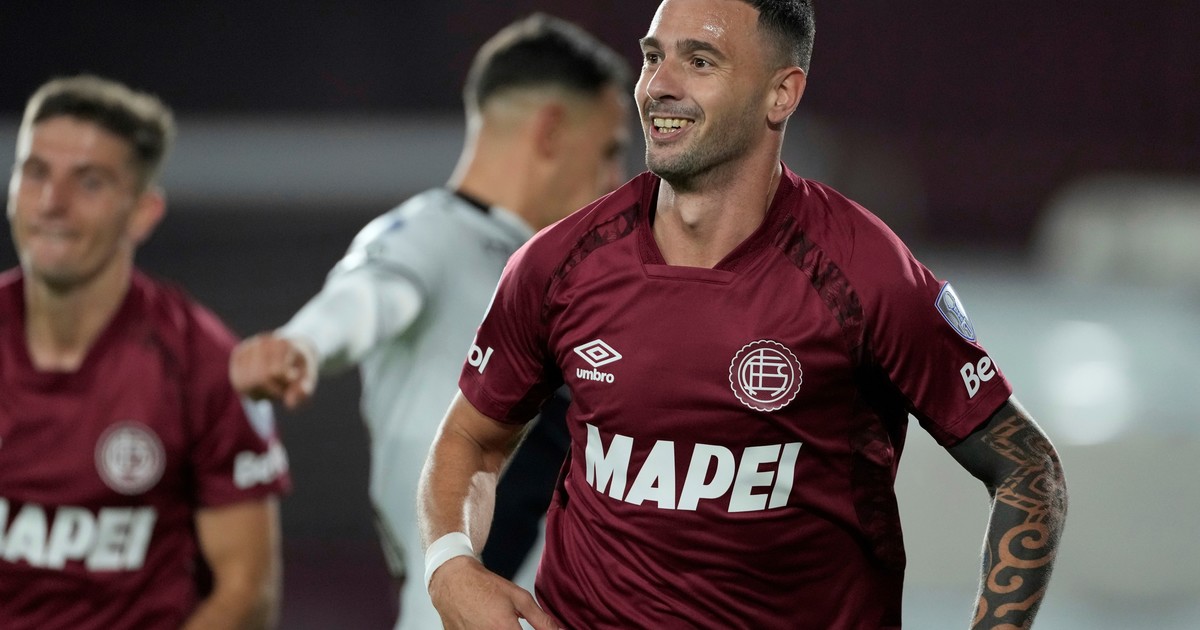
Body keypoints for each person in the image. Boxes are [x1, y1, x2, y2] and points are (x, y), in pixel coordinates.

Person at [417, 0, 1069, 628]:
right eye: (653, 57)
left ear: (781, 94)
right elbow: (470, 438)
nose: (658, 86)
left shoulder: (864, 276)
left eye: (700, 61)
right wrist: (450, 565)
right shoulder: (557, 264)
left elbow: (1026, 469)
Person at [228, 14, 631, 630]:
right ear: (550, 131)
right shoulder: (434, 233)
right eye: (608, 151)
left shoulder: (562, 277)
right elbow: (368, 297)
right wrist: (303, 343)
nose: (616, 180)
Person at [0, 75, 290, 629]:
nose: (52, 203)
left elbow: (247, 592)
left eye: (89, 182)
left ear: (142, 212)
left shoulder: (203, 364)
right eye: (35, 173)